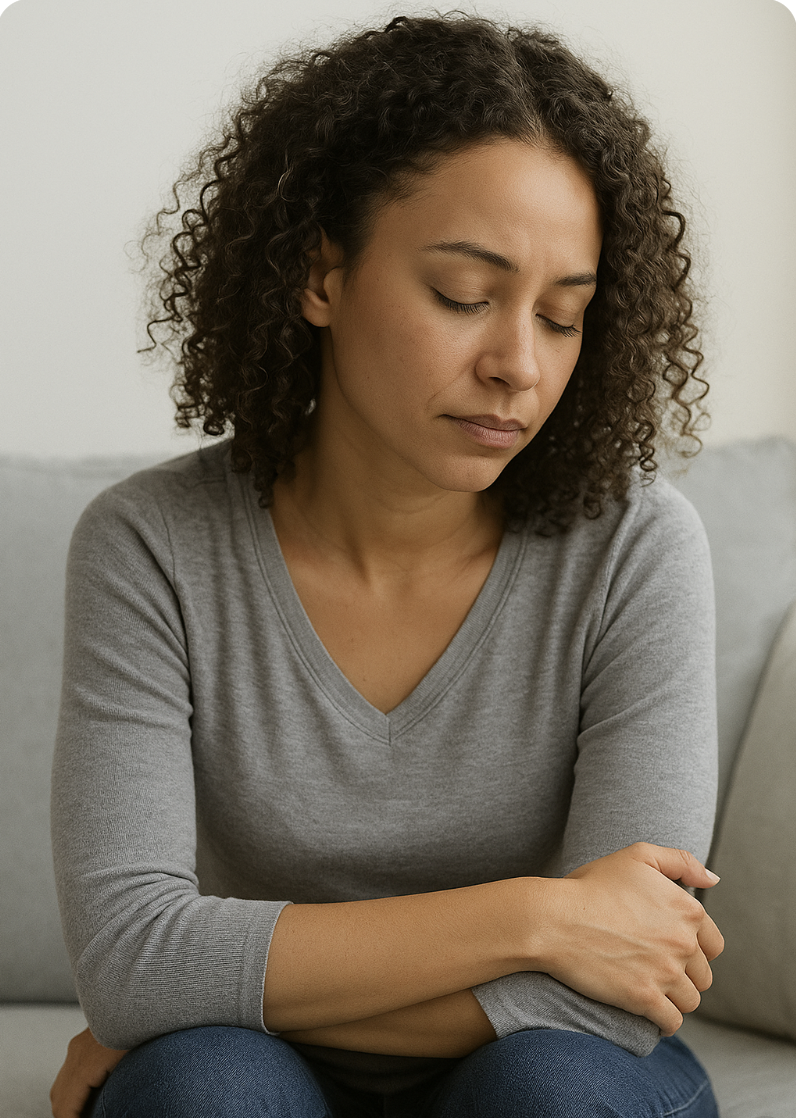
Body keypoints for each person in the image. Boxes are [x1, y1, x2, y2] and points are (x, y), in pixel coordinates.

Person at [49, 11, 725, 1118]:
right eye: (464, 294)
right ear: (321, 272)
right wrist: (539, 919)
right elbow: (130, 957)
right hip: (257, 1073)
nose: (516, 364)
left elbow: (624, 988)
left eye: (563, 317)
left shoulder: (636, 549)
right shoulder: (150, 545)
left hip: (555, 1068)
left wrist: (192, 983)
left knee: (547, 1090)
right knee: (206, 1089)